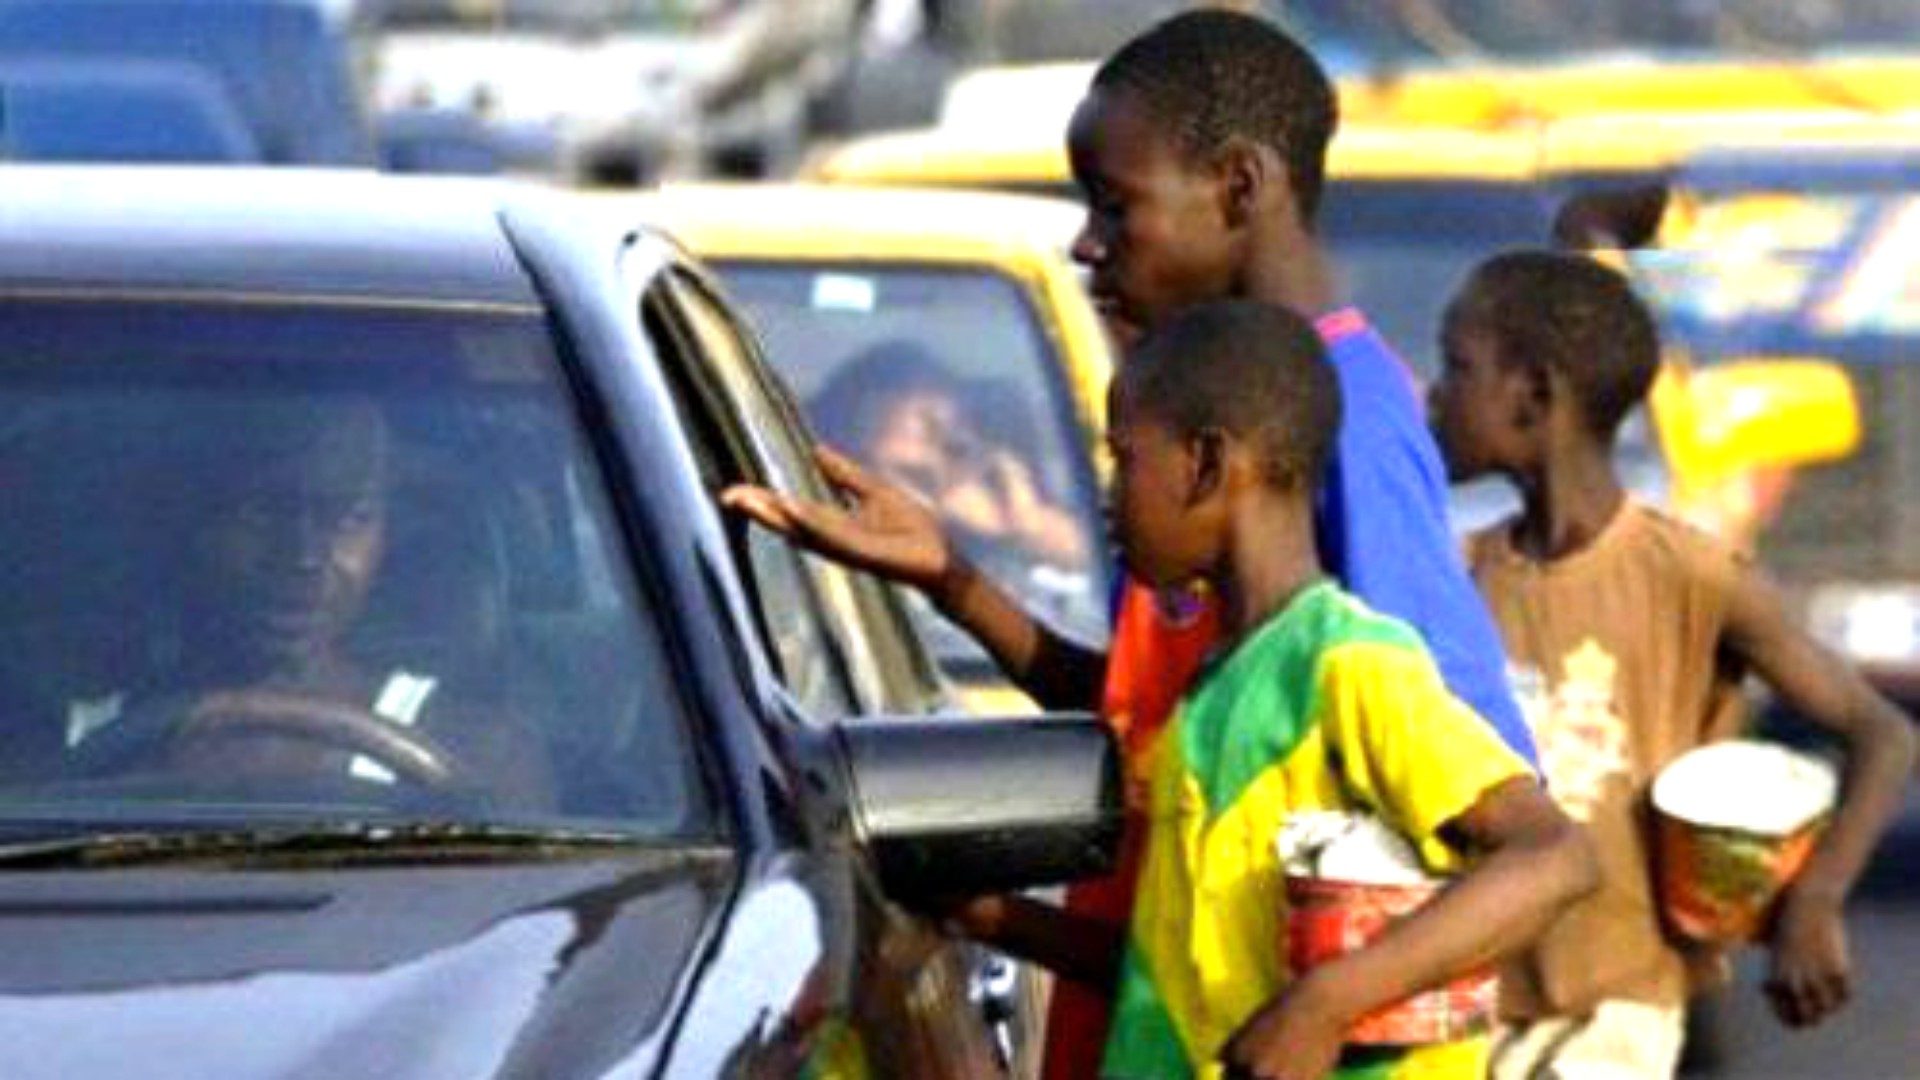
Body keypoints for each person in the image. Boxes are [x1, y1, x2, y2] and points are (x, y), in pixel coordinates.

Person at [723, 11, 1538, 1076]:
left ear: (1240, 188)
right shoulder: (1208, 460)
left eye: (1116, 204)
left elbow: (1485, 804)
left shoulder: (1346, 425)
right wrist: (957, 583)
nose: (1087, 241)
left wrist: (1327, 1004)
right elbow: (1185, 723)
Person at [1427, 249, 1917, 1078]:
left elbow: (1882, 735)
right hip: (1468, 1002)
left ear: (1535, 395)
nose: (1432, 395)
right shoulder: (1458, 574)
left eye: (1456, 368)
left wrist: (1816, 900)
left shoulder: (1687, 574)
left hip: (1618, 1005)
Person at [1097, 299, 1595, 1079]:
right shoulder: (1218, 679)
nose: (1110, 495)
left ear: (1205, 465)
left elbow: (1557, 857)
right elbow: (1184, 968)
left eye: (1124, 460)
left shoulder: (1351, 663)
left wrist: (1324, 1003)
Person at [67, 400, 552, 809]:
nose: (303, 557)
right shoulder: (65, 747)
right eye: (260, 513)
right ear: (191, 527)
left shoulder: (481, 752)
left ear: (386, 535)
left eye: (347, 519)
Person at [808, 340, 1089, 570]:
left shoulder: (981, 541)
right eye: (927, 421)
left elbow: (1096, 565)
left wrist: (1025, 524)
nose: (941, 447)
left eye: (957, 433)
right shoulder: (810, 499)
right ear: (863, 417)